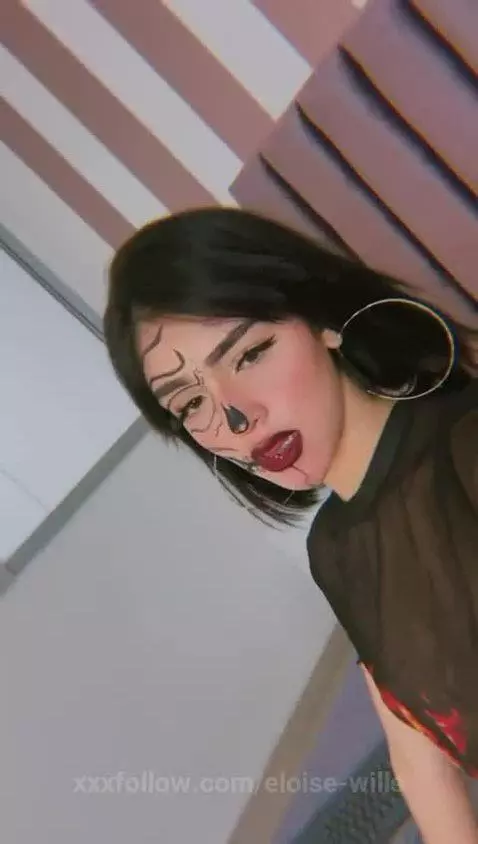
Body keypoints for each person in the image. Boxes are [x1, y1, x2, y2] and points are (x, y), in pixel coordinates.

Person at [104, 207, 478, 842]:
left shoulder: (466, 445)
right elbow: (418, 757)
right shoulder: (335, 547)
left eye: (251, 353)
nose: (236, 418)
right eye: (190, 403)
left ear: (322, 321)